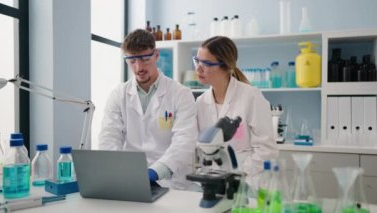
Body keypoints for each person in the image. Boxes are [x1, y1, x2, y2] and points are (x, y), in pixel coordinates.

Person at [98, 29, 198, 190]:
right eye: (132, 61)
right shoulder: (119, 94)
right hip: (129, 179)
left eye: (145, 59)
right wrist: (117, 171)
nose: (139, 68)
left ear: (156, 55)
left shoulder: (181, 94)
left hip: (170, 180)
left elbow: (184, 141)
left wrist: (155, 172)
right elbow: (109, 137)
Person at [194, 36, 278, 184]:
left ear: (225, 66)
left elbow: (266, 150)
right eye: (197, 61)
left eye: (206, 63)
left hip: (248, 181)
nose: (198, 68)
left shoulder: (251, 96)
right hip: (212, 180)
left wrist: (239, 173)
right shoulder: (200, 102)